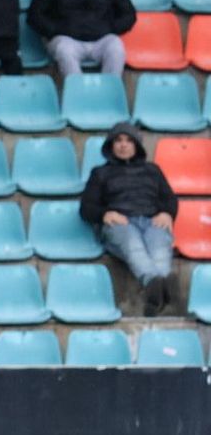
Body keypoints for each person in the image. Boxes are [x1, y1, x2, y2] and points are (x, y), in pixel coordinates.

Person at [80, 123, 179, 316]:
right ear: (111, 145)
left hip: (151, 221)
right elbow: (86, 208)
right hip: (120, 223)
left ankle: (156, 298)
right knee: (134, 245)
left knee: (160, 248)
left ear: (137, 146)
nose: (123, 145)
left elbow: (169, 199)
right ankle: (156, 286)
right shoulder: (100, 173)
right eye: (118, 140)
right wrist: (104, 214)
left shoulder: (153, 171)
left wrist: (167, 213)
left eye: (129, 141)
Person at [27, 0, 135, 78]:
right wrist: (56, 30)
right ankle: (77, 93)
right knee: (64, 50)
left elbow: (129, 15)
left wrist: (109, 28)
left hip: (101, 39)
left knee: (116, 47)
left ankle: (109, 92)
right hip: (67, 39)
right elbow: (34, 14)